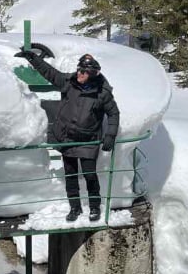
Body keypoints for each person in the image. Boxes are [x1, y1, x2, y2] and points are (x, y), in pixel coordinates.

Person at [15, 48, 120, 222]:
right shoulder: (69, 82)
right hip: (67, 138)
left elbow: (114, 114)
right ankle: (75, 208)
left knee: (89, 175)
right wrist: (32, 58)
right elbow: (50, 73)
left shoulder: (102, 93)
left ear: (93, 73)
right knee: (70, 176)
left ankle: (94, 207)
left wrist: (110, 135)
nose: (79, 73)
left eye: (84, 71)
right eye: (79, 69)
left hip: (88, 140)